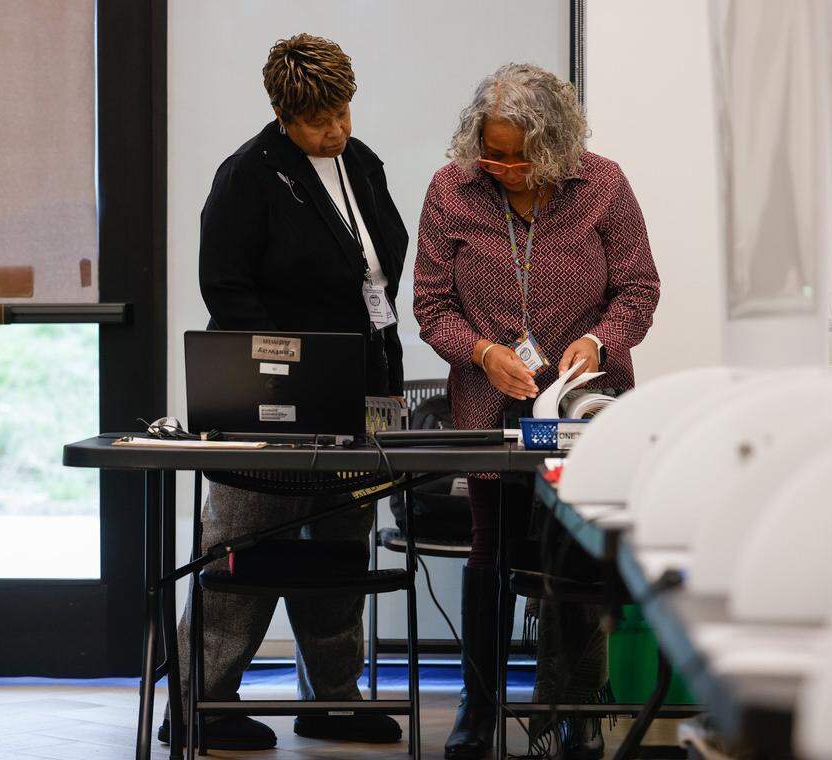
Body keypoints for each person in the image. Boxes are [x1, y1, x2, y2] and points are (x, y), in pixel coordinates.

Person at [161, 33, 408, 750]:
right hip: (269, 400)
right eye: (317, 120)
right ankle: (200, 704)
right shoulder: (247, 176)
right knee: (241, 546)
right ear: (281, 113)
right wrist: (287, 376)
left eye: (341, 112)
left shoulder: (361, 164)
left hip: (363, 389)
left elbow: (379, 278)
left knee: (342, 542)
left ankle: (333, 697)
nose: (334, 129)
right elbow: (229, 291)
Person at [414, 62, 661, 759]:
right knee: (490, 549)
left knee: (579, 557)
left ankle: (574, 711)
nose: (508, 167)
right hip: (489, 403)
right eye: (493, 152)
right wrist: (483, 351)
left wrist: (598, 341)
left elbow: (638, 289)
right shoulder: (450, 190)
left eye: (523, 156)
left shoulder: (602, 184)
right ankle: (478, 707)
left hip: (584, 408)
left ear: (557, 144)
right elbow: (432, 305)